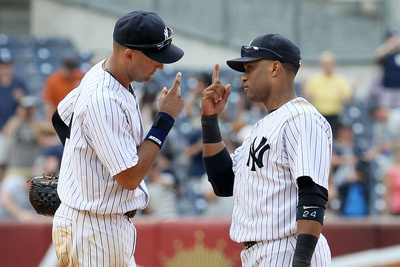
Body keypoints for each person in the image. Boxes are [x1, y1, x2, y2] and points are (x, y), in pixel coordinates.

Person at [51, 10, 184, 267]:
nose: (161, 65)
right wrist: (165, 119)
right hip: (95, 231)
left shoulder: (102, 72)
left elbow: (60, 117)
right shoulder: (103, 98)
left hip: (96, 225)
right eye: (154, 58)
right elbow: (130, 177)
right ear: (129, 55)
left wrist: (79, 176)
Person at [201, 34, 332, 266]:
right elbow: (223, 183)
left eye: (250, 68)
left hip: (287, 249)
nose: (243, 76)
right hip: (262, 252)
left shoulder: (302, 118)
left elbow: (312, 194)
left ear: (274, 68)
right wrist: (210, 121)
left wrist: (301, 261)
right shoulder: (261, 126)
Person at [303, 51, 352, 136]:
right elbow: (307, 97)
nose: (328, 66)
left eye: (330, 64)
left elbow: (347, 98)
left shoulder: (340, 80)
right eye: (326, 64)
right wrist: (304, 80)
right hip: (319, 115)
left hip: (335, 116)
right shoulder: (315, 80)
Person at [0, 52, 27, 182]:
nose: (5, 69)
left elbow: (27, 107)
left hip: (16, 129)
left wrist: (21, 99)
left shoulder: (18, 83)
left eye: (8, 66)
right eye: (3, 66)